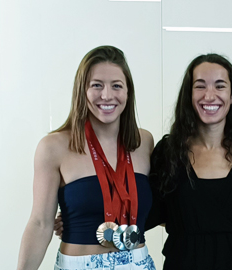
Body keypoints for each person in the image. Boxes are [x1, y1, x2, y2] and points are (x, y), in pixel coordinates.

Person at [17, 46, 156, 270]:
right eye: (97, 85)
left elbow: (160, 207)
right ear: (82, 90)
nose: (107, 95)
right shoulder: (54, 147)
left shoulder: (144, 142)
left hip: (138, 262)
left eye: (117, 86)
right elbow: (40, 223)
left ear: (128, 92)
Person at [145, 53, 232, 270]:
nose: (210, 95)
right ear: (189, 95)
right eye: (200, 86)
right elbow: (147, 211)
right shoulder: (168, 152)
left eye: (220, 86)